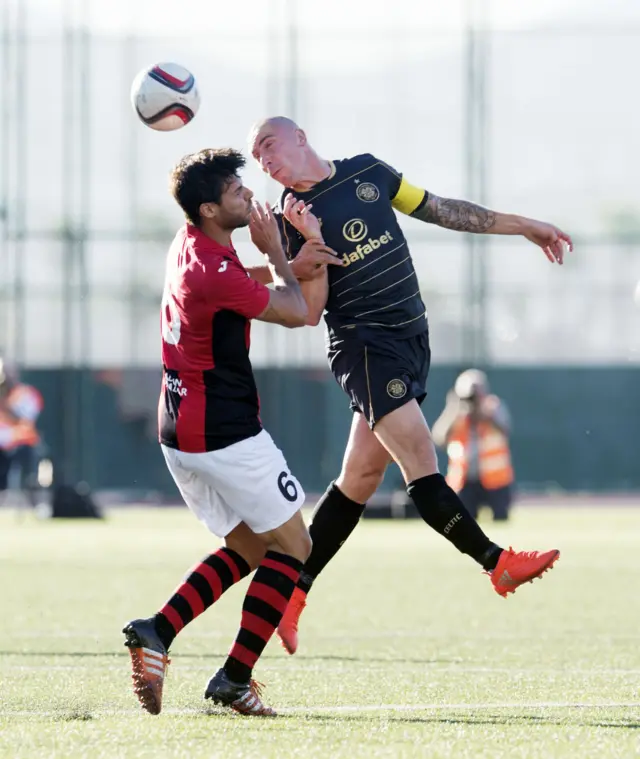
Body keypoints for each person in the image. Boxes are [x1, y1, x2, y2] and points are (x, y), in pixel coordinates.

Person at [248, 116, 570, 654]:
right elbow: (308, 307)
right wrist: (304, 248)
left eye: (268, 145)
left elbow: (443, 210)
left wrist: (525, 225)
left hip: (410, 341)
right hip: (365, 347)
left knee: (359, 478)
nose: (263, 159)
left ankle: (292, 593)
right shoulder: (288, 218)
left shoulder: (368, 172)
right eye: (256, 157)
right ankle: (497, 563)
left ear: (301, 137)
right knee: (421, 459)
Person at [122, 148, 337, 717]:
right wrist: (285, 256)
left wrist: (286, 263)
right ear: (210, 208)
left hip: (180, 430)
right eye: (238, 192)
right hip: (224, 431)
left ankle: (156, 630)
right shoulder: (215, 270)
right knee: (295, 547)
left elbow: (239, 283)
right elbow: (301, 312)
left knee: (247, 547)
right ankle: (234, 678)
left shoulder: (191, 244)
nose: (249, 196)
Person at [432, 369, 514, 521]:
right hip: (464, 481)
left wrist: (486, 414)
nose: (471, 400)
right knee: (465, 522)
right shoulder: (456, 414)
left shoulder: (493, 407)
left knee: (501, 519)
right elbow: (439, 438)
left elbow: (505, 430)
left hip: (495, 480)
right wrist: (453, 410)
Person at [0, 358, 44, 503]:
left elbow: (25, 417)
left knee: (31, 477)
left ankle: (38, 505)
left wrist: (5, 403)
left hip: (23, 443)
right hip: (2, 445)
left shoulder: (26, 393)